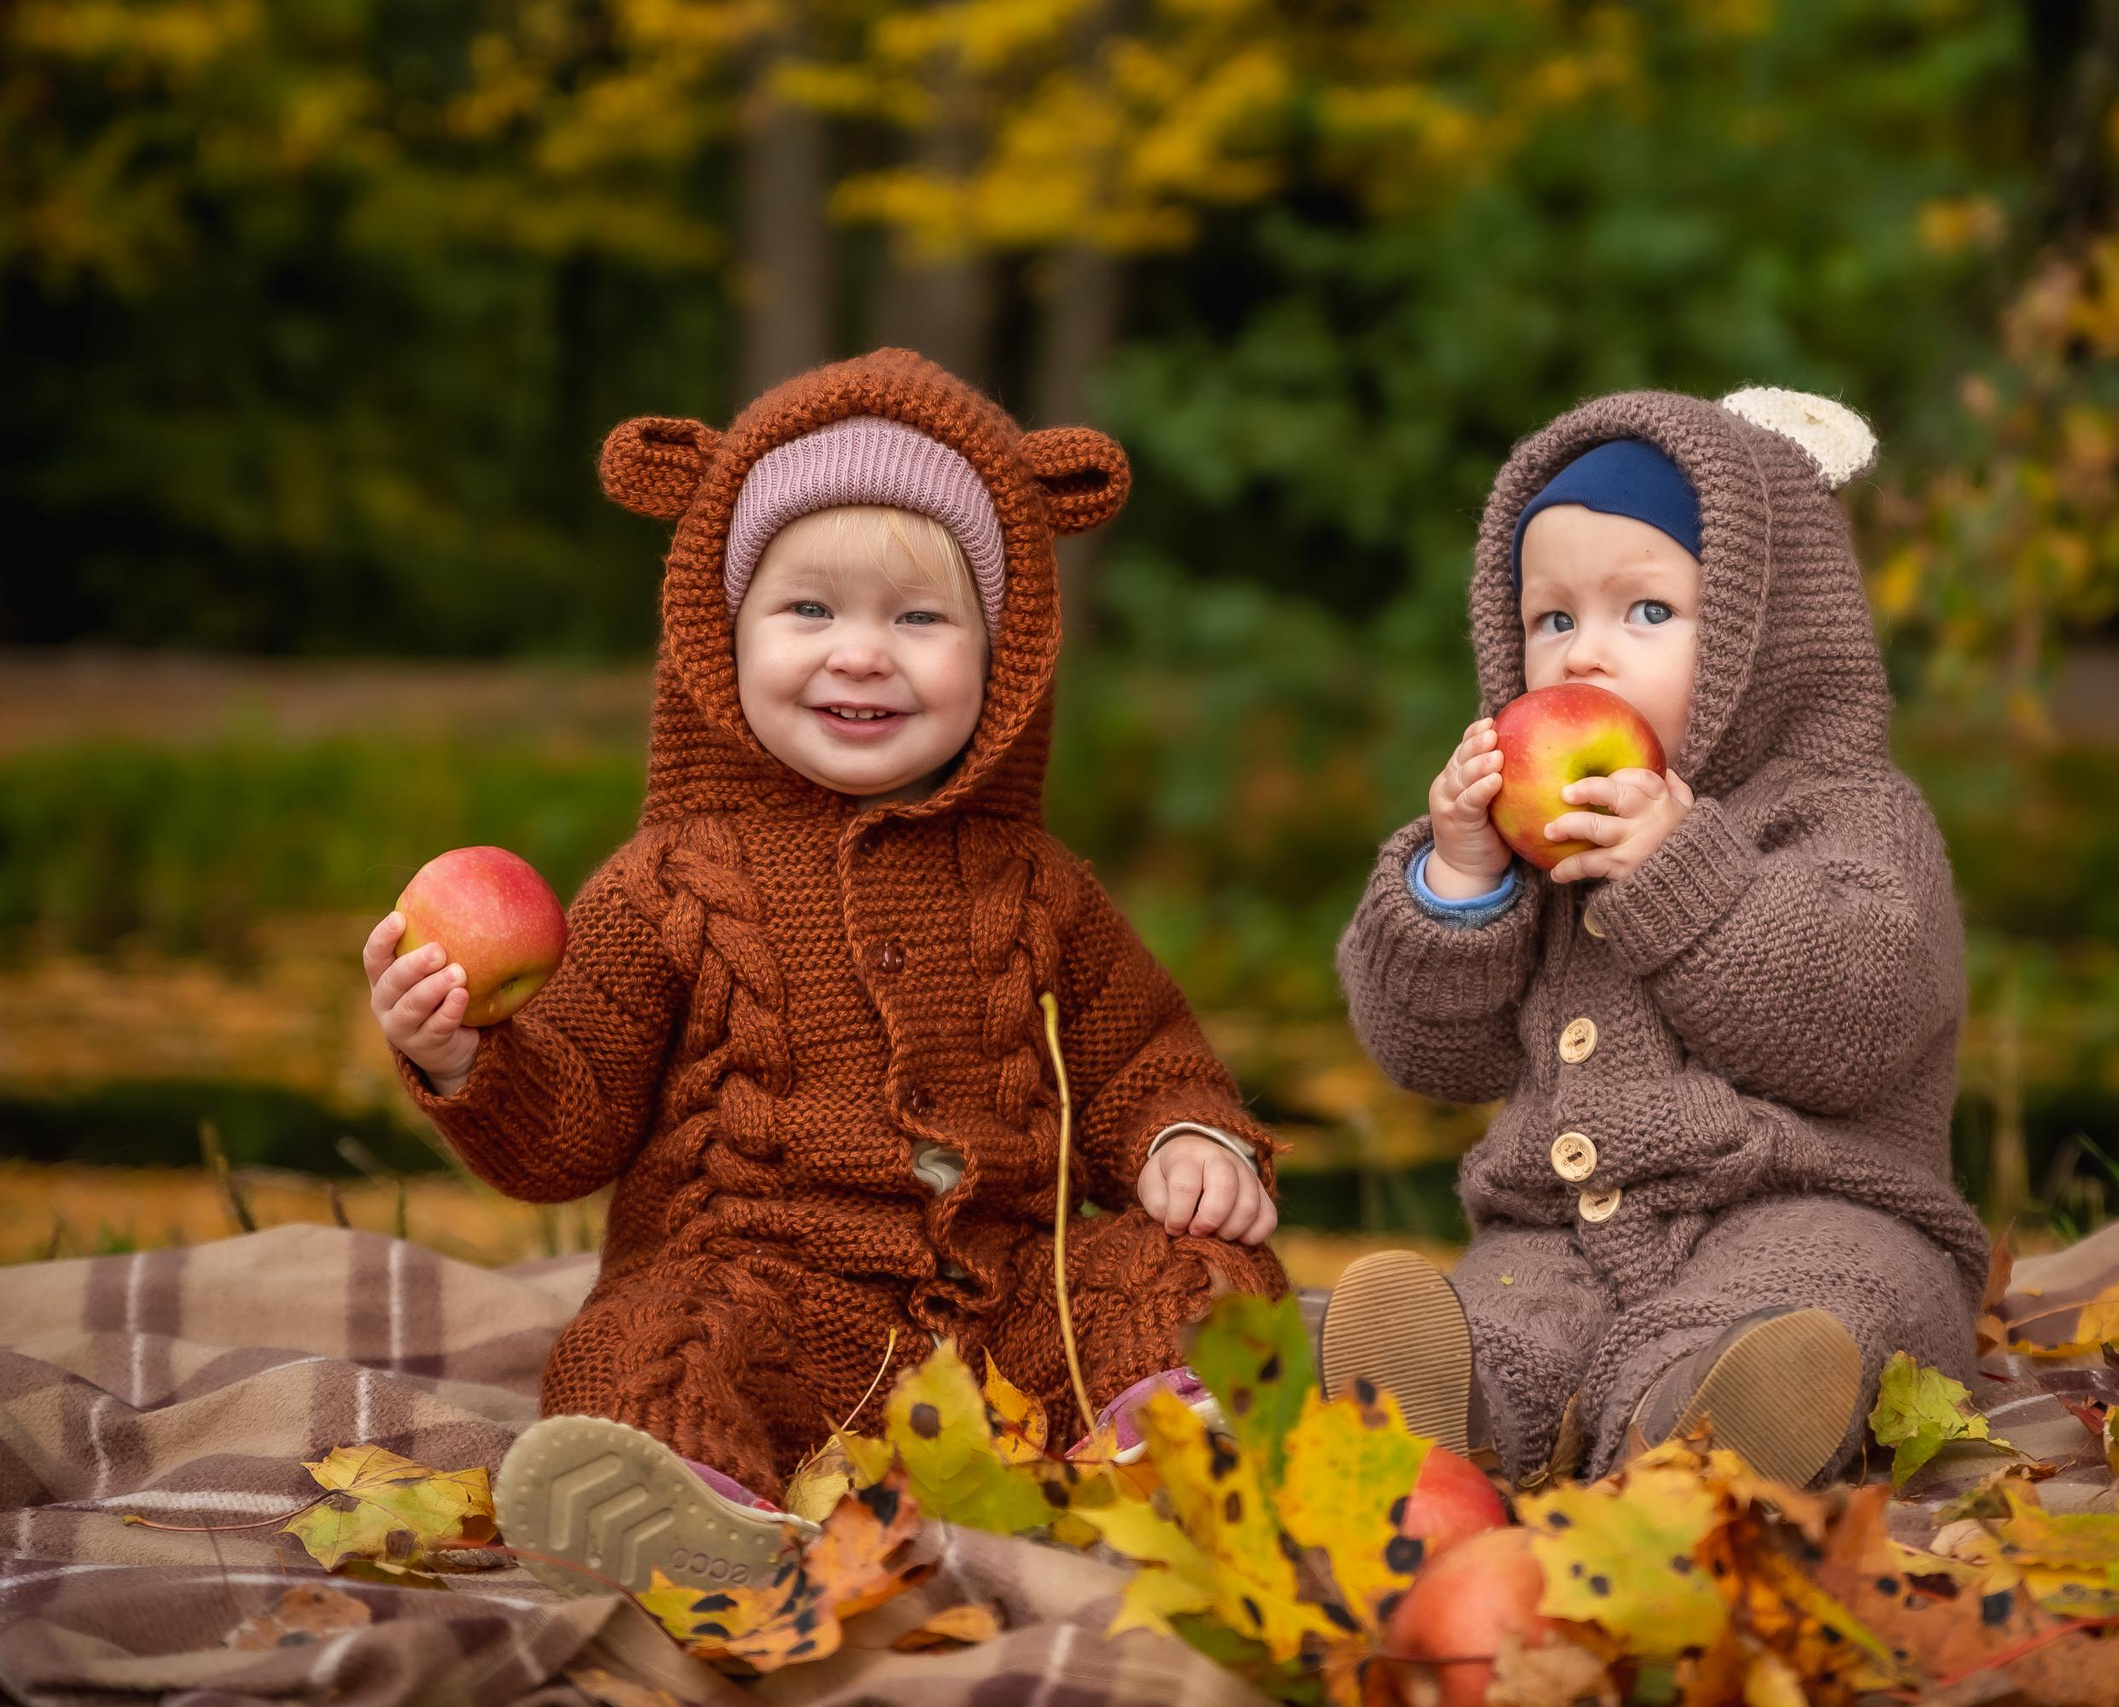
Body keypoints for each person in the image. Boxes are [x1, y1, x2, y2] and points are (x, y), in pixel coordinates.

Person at [362, 350, 1281, 1594]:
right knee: (639, 1347)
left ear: (1000, 661)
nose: (862, 655)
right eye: (809, 611)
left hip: (1009, 1323)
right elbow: (569, 1121)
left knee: (1187, 1274)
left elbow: (1143, 1054)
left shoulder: (1041, 888)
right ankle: (690, 1502)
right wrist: (464, 1054)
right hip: (759, 1302)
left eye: (918, 619)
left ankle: (1164, 1450)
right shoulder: (671, 883)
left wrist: (1192, 1141)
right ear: (721, 638)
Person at [1326, 387, 1989, 1489]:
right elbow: (1430, 1057)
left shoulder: (1847, 813)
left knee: (1839, 1301)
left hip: (1817, 1206)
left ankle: (1703, 1426)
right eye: (1552, 620)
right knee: (1508, 1312)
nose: (1583, 658)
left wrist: (1684, 877)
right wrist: (1458, 882)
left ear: (1756, 633)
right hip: (1565, 1230)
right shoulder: (1526, 837)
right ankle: (1459, 1407)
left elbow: (1858, 1023)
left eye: (1643, 613)